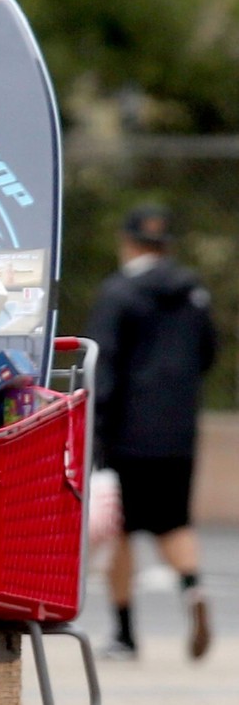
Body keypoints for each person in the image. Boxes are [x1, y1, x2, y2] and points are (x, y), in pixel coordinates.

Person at [88, 203, 217, 662]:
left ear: (128, 242)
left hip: (126, 432)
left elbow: (102, 366)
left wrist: (96, 427)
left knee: (121, 530)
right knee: (174, 522)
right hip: (178, 432)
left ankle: (124, 634)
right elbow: (207, 354)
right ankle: (193, 587)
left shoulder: (118, 293)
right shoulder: (193, 292)